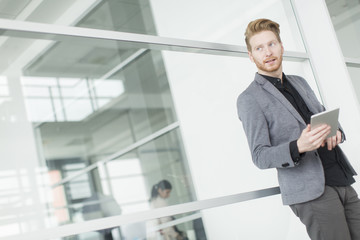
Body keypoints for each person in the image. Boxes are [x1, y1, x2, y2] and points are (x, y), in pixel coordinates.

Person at [237, 18, 360, 240]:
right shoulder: (249, 99)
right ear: (251, 55)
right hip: (312, 192)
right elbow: (260, 156)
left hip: (340, 176)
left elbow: (323, 117)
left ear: (281, 47)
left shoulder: (300, 82)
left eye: (272, 44)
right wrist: (298, 146)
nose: (267, 52)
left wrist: (336, 131)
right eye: (259, 48)